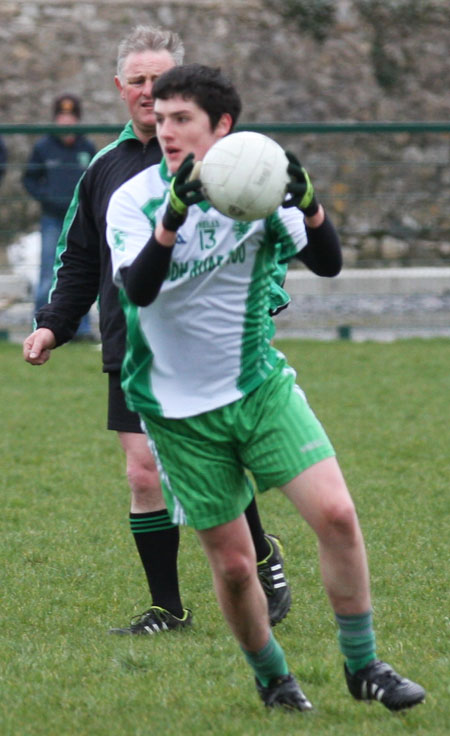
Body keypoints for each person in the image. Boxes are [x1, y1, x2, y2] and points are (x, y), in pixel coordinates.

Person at [105, 63, 425, 713]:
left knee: (337, 514)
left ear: (221, 126)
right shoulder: (134, 200)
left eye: (181, 119)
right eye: (160, 119)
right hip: (177, 411)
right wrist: (172, 216)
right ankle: (272, 676)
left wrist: (307, 202)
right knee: (233, 565)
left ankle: (364, 665)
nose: (165, 130)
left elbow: (328, 263)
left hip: (259, 387)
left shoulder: (257, 185)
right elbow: (138, 291)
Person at [22, 26, 291, 635]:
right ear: (120, 89)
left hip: (210, 341)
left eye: (160, 80)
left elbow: (262, 240)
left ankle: (264, 557)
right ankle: (168, 608)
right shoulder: (103, 169)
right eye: (137, 81)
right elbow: (80, 258)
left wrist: (265, 304)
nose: (149, 92)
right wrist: (52, 326)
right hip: (132, 344)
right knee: (144, 471)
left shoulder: (225, 163)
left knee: (215, 466)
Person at [22, 93, 96, 339]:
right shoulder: (43, 146)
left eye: (71, 117)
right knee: (47, 273)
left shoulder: (87, 147)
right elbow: (29, 179)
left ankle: (81, 330)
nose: (66, 122)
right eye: (62, 117)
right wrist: (46, 198)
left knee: (82, 271)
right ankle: (40, 325)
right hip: (52, 220)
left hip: (80, 220)